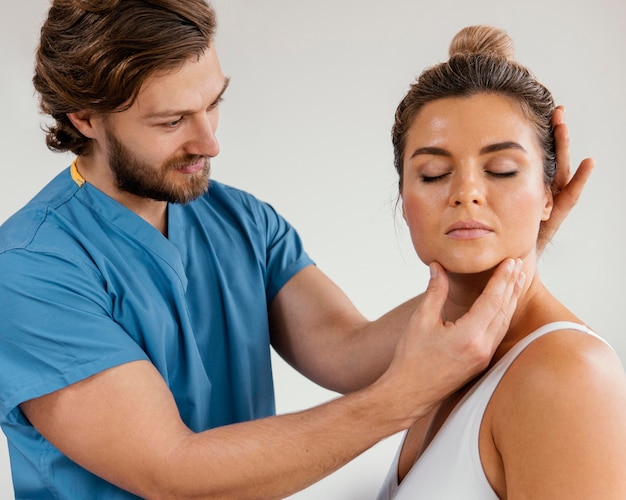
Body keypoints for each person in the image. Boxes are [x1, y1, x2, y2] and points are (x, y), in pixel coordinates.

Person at [0, 1, 589, 497]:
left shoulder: (239, 220)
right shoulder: (31, 268)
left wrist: (504, 250)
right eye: (173, 120)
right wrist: (401, 399)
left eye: (213, 104)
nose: (210, 141)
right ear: (85, 119)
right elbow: (171, 472)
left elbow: (347, 352)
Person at [377, 25, 626, 499]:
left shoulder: (567, 374)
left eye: (502, 171)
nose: (466, 192)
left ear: (550, 195)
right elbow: (336, 349)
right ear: (403, 197)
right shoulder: (441, 360)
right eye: (433, 173)